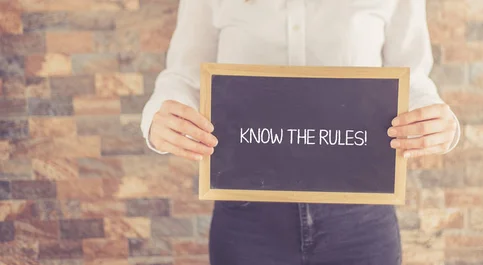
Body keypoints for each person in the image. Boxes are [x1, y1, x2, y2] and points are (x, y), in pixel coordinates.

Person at [140, 0, 460, 264]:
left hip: (360, 218)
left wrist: (434, 120)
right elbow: (183, 77)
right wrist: (159, 118)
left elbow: (414, 81)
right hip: (248, 218)